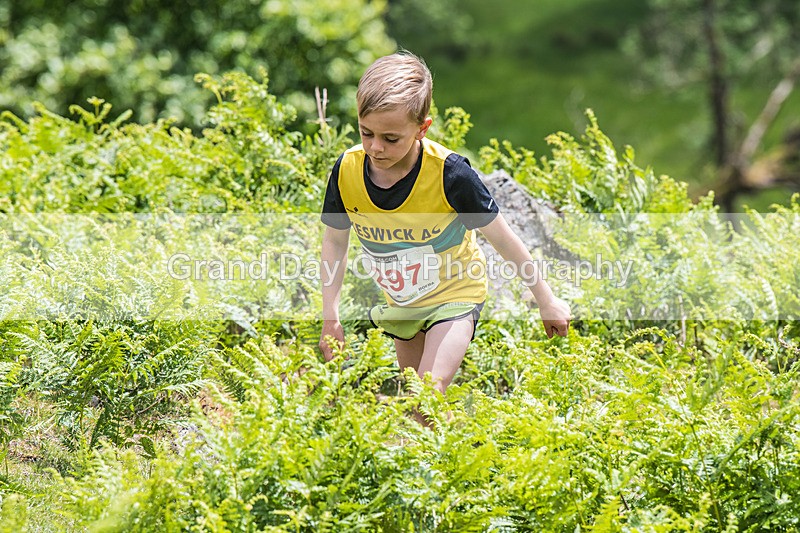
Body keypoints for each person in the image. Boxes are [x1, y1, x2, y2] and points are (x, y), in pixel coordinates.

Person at [319, 51, 570, 418]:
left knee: (424, 396)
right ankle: (453, 464)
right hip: (403, 303)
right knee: (424, 413)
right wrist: (331, 316)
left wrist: (546, 301)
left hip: (455, 296)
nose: (375, 147)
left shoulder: (450, 175)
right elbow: (334, 243)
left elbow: (503, 238)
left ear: (422, 128)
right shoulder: (347, 170)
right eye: (366, 132)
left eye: (391, 138)